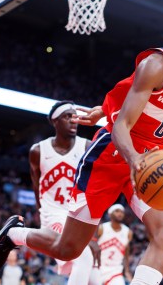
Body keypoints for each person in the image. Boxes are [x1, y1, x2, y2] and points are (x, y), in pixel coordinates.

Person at [0, 0, 163, 285]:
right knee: (68, 249)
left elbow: (137, 97)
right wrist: (132, 156)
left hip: (150, 162)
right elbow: (120, 127)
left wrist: (108, 110)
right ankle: (14, 234)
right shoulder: (156, 65)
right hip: (112, 156)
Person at [28, 100, 100, 285]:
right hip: (53, 214)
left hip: (76, 215)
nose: (74, 120)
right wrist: (43, 216)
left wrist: (90, 234)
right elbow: (37, 187)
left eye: (75, 116)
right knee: (82, 257)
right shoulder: (38, 151)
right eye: (68, 116)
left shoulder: (87, 147)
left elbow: (93, 189)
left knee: (94, 278)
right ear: (55, 121)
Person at [96, 204, 133, 285]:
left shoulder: (128, 232)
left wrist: (127, 270)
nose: (120, 214)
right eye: (117, 211)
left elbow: (126, 253)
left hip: (115, 270)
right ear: (110, 214)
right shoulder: (102, 228)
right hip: (98, 267)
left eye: (122, 212)